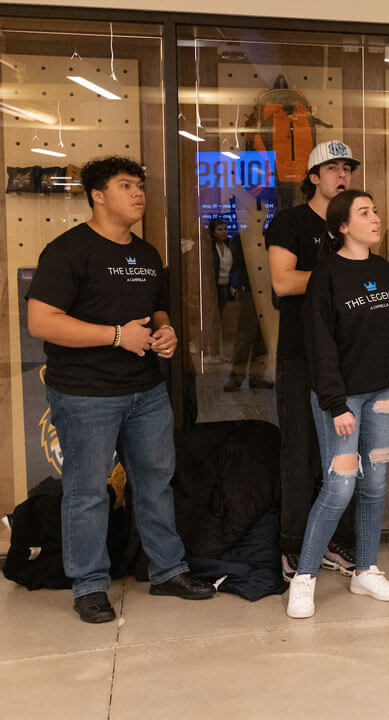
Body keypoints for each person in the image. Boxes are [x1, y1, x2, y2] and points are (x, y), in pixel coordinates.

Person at [26, 156, 215, 623]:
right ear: (97, 194)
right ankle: (89, 585)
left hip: (146, 392)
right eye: (126, 185)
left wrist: (165, 332)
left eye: (140, 186)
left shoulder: (146, 254)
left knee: (155, 483)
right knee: (87, 490)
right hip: (86, 394)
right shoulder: (68, 250)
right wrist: (115, 335)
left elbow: (158, 310)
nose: (138, 194)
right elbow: (41, 322)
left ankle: (167, 571)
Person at [286, 190, 389, 618]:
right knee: (339, 485)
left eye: (376, 210)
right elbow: (319, 344)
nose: (376, 217)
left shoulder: (383, 270)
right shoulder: (325, 274)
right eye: (365, 212)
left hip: (384, 393)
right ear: (342, 226)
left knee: (374, 484)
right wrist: (335, 402)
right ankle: (304, 577)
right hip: (341, 399)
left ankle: (366, 569)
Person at [267, 140, 361, 579]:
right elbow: (283, 282)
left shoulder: (351, 224)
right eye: (333, 168)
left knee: (342, 459)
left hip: (345, 360)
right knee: (300, 456)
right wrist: (335, 276)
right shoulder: (290, 221)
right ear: (313, 177)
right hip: (300, 357)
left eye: (347, 168)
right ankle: (292, 547)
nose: (342, 175)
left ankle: (333, 544)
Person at [209, 218, 271, 392]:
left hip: (264, 290)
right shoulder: (240, 238)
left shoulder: (266, 237)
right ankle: (236, 377)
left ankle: (257, 375)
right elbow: (238, 264)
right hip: (248, 290)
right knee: (245, 335)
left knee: (261, 337)